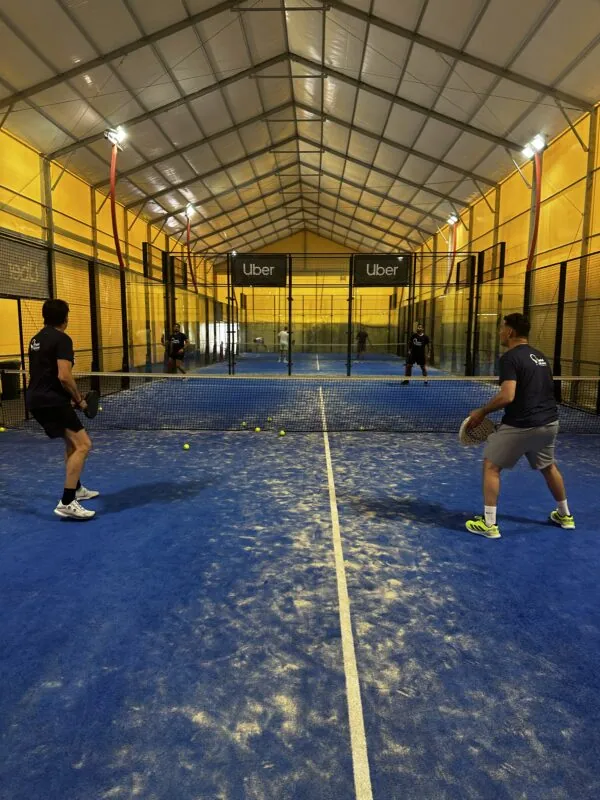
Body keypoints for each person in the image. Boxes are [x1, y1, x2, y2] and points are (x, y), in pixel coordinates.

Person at [465, 313, 574, 539]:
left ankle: (489, 524)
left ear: (510, 332)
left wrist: (482, 412)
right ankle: (565, 515)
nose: (499, 333)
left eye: (501, 328)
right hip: (549, 423)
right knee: (549, 466)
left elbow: (507, 395)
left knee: (491, 466)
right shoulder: (540, 356)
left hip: (523, 424)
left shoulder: (510, 358)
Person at [26, 299, 98, 521]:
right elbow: (64, 376)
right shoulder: (63, 339)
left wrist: (69, 399)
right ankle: (67, 502)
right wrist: (79, 399)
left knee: (72, 443)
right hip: (52, 402)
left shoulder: (36, 339)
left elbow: (46, 374)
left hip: (36, 399)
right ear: (65, 318)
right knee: (84, 445)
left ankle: (76, 488)